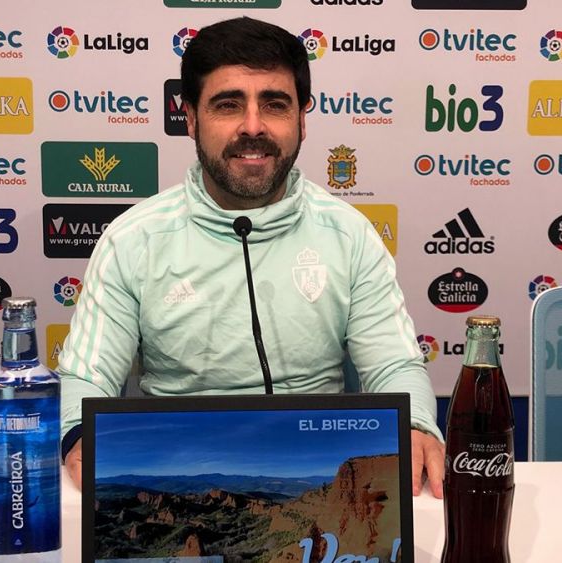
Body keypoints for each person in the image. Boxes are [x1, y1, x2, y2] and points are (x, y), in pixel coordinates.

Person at [57, 16, 445, 498]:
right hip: (178, 479)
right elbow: (87, 375)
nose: (253, 127)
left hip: (315, 475)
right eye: (228, 105)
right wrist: (77, 434)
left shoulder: (349, 234)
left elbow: (394, 365)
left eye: (275, 104)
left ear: (302, 119)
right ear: (190, 118)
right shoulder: (133, 239)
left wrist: (417, 424)